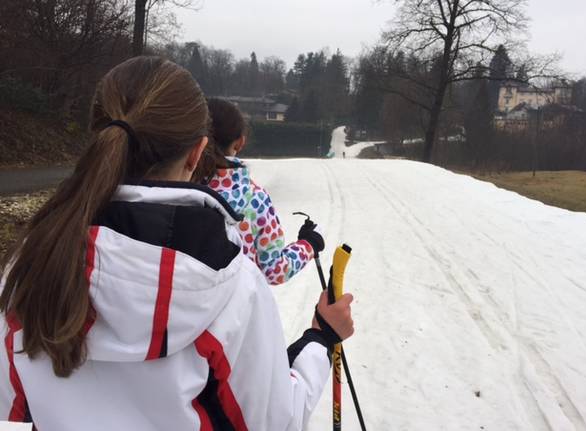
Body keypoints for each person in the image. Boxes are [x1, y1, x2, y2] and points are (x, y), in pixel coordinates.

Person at [0, 57, 354, 431]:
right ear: (197, 152)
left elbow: (11, 410)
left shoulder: (26, 267)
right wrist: (319, 339)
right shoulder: (234, 286)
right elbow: (276, 421)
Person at [200, 98, 324, 285]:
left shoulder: (177, 189)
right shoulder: (254, 199)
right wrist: (309, 244)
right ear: (240, 142)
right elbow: (274, 270)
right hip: (238, 309)